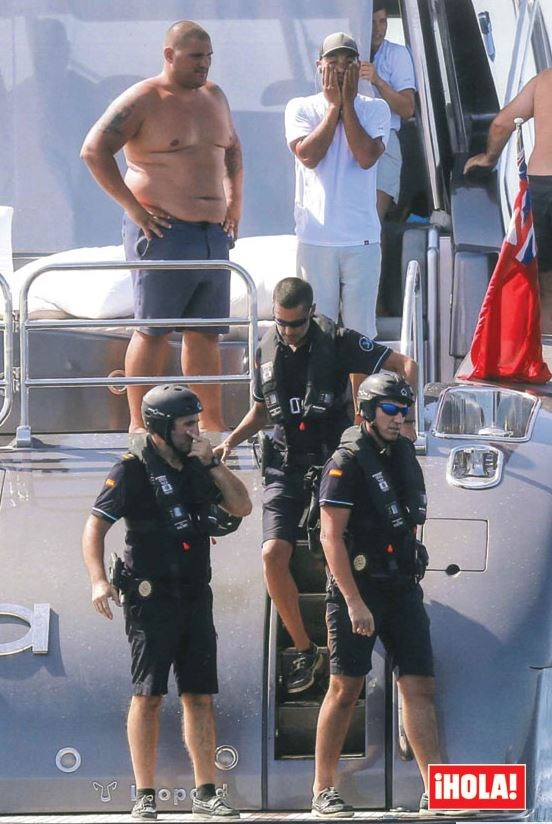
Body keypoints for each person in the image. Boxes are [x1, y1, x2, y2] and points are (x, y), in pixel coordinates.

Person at [214, 278, 416, 695]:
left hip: (332, 463)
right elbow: (261, 412)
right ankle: (305, 650)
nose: (288, 332)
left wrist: (407, 424)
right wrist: (230, 441)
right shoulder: (266, 349)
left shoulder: (338, 340)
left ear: (311, 312)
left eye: (297, 323)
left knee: (333, 551)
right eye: (281, 323)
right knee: (272, 553)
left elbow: (403, 364)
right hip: (285, 465)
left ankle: (345, 645)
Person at [82, 384, 251, 821]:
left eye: (197, 422)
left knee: (200, 695)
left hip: (194, 594)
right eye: (187, 425)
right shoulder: (131, 468)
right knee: (149, 695)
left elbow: (242, 506)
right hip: (149, 598)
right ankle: (145, 795)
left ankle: (206, 792)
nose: (196, 431)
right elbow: (95, 527)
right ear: (160, 428)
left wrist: (212, 462)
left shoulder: (200, 463)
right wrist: (98, 581)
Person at [81, 21, 243, 433]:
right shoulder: (143, 98)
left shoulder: (215, 96)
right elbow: (94, 150)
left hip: (212, 234)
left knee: (205, 333)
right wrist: (134, 209)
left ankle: (210, 424)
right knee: (153, 329)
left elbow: (232, 149)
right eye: (195, 57)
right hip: (162, 230)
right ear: (170, 55)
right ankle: (139, 425)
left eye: (208, 57)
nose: (204, 64)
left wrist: (235, 202)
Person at [311, 371, 438, 817]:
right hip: (357, 589)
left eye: (404, 410)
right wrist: (353, 602)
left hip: (401, 586)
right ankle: (323, 789)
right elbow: (330, 538)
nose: (398, 417)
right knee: (345, 688)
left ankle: (437, 789)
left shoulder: (402, 453)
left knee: (419, 685)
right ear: (366, 412)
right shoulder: (345, 462)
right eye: (389, 409)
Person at [284, 32, 390, 340]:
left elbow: (366, 157)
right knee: (317, 332)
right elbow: (308, 156)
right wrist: (334, 108)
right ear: (319, 65)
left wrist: (348, 105)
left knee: (360, 335)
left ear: (359, 66)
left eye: (348, 60)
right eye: (333, 60)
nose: (341, 67)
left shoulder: (376, 108)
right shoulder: (300, 107)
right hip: (316, 239)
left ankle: (360, 378)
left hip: (362, 239)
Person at [463, 69, 552, 333]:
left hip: (543, 186)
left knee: (546, 287)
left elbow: (501, 124)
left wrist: (488, 158)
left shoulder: (544, 81)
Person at [360, 0, 417, 221]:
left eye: (383, 21)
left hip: (384, 140)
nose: (378, 29)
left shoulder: (398, 54)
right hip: (349, 140)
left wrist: (378, 81)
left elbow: (408, 109)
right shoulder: (347, 54)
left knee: (372, 220)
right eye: (372, 22)